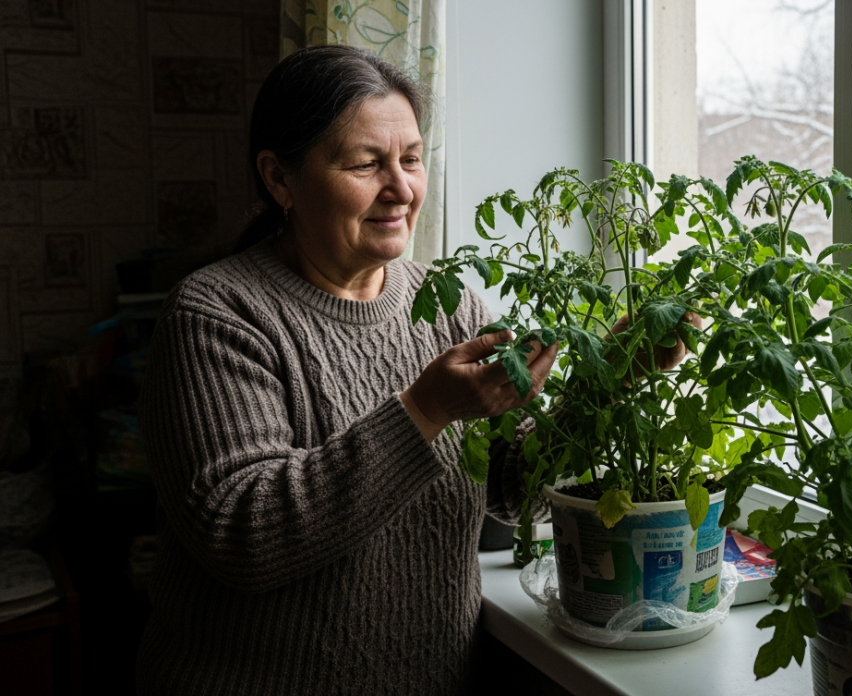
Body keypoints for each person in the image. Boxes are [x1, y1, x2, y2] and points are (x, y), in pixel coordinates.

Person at [136, 45, 561, 694]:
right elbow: (243, 539)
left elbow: (516, 491)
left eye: (411, 159)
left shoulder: (449, 305)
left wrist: (612, 385)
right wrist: (425, 411)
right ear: (279, 179)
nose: (402, 189)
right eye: (366, 164)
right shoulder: (217, 313)